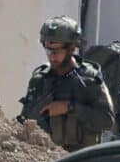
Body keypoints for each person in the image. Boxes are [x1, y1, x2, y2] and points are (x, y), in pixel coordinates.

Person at [19, 16, 114, 151]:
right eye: (48, 50)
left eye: (56, 51)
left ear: (72, 48)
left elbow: (107, 120)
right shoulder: (40, 78)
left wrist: (70, 107)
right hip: (46, 160)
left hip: (81, 161)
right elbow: (25, 121)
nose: (52, 56)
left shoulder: (89, 78)